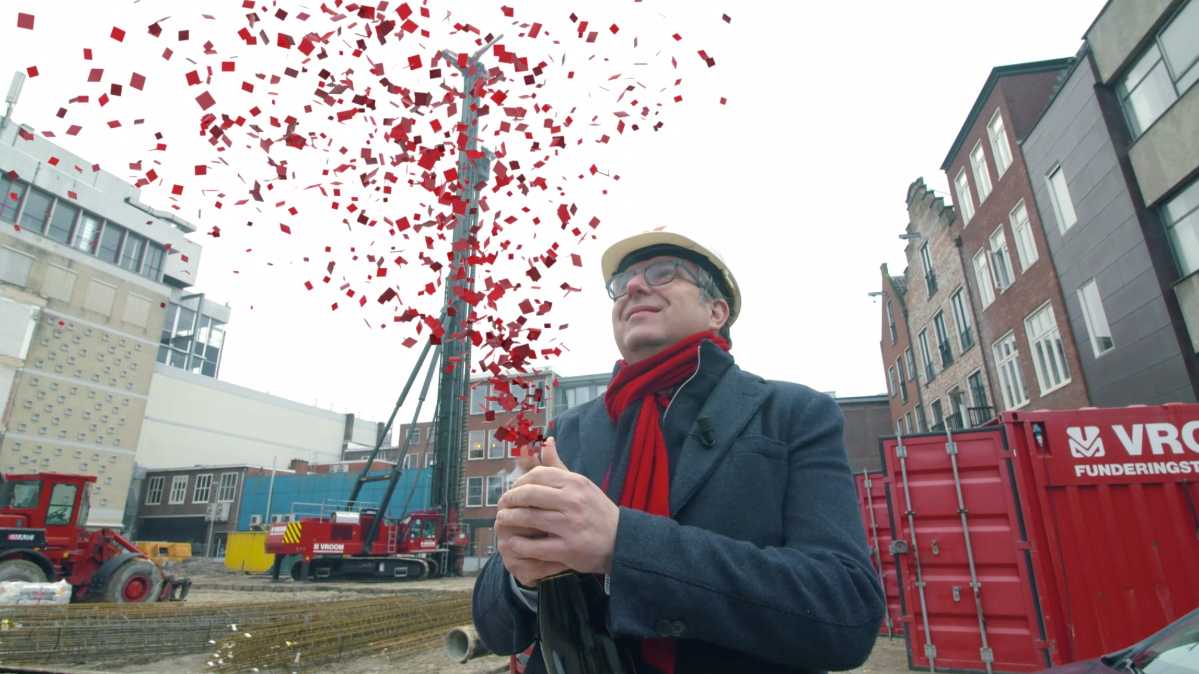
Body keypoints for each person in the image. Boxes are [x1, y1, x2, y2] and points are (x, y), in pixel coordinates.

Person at [471, 228, 886, 674]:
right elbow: (497, 630)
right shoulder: (565, 433)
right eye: (622, 282)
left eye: (662, 272)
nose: (632, 286)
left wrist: (621, 543)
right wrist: (520, 577)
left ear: (716, 310)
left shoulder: (793, 414)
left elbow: (846, 611)